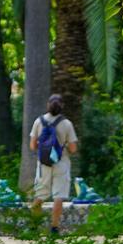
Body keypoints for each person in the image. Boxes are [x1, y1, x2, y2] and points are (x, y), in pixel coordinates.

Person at [27, 94, 78, 234]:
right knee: (58, 196)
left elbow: (32, 145)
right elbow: (73, 149)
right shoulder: (67, 124)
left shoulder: (39, 121)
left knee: (40, 195)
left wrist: (45, 148)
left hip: (44, 164)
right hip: (61, 163)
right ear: (62, 106)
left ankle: (33, 226)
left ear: (48, 105)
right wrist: (62, 146)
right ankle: (54, 228)